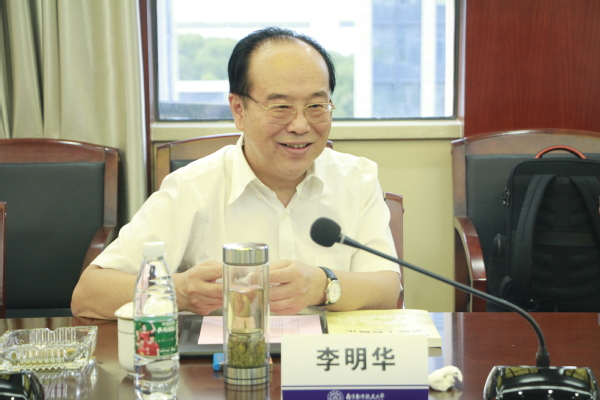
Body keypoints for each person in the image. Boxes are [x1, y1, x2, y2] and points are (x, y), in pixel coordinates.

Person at [71, 27, 401, 320]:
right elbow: (89, 293)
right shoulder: (193, 187)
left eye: (316, 106)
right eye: (281, 107)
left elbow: (387, 289)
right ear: (239, 109)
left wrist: (322, 285)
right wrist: (180, 291)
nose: (301, 125)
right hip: (224, 364)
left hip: (324, 363)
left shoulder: (357, 178)